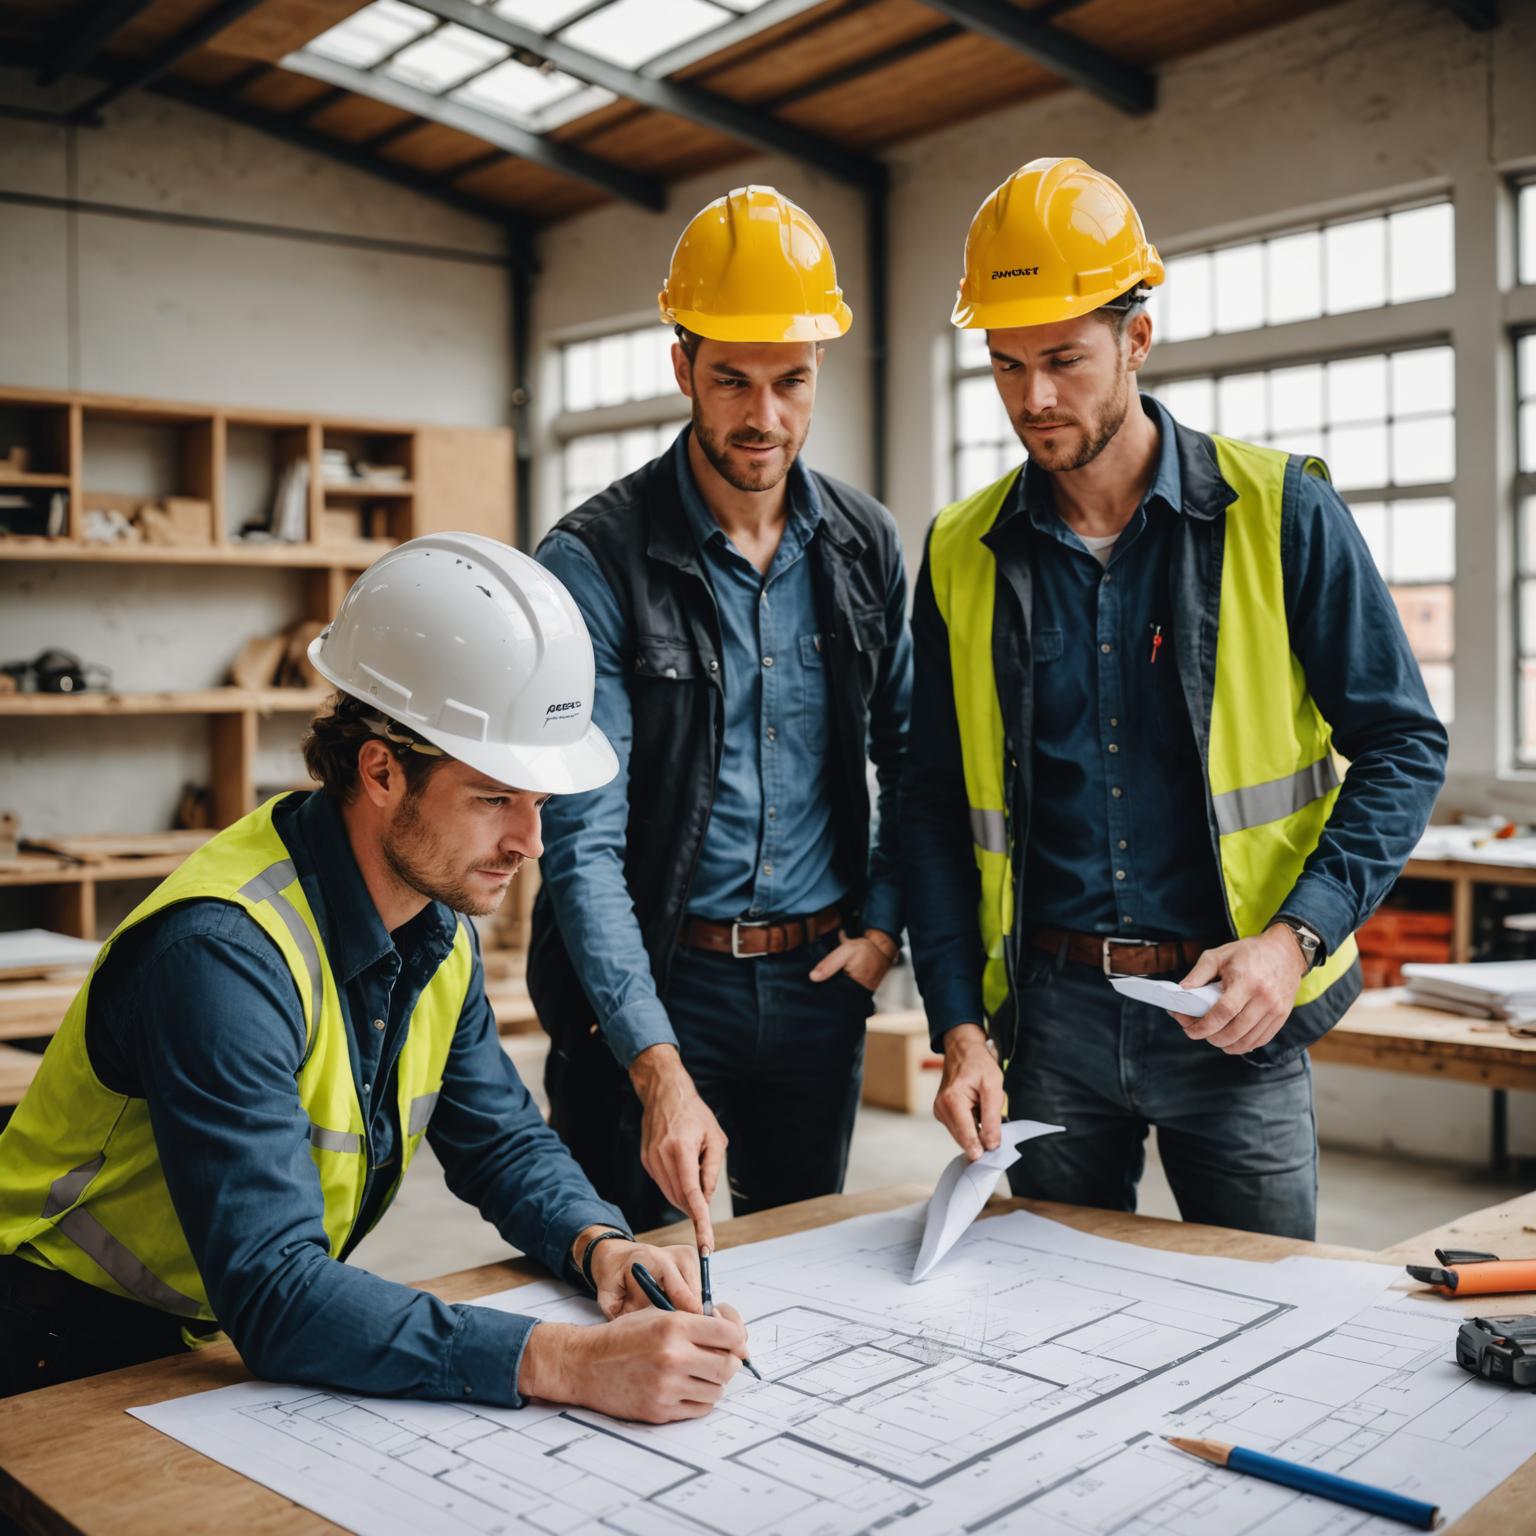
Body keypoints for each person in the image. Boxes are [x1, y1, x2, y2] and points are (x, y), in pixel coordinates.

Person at [0, 533, 748, 1420]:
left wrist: (601, 1248)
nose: (529, 843)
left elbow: (500, 1140)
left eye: (539, 803)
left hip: (203, 1338)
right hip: (50, 1346)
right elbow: (276, 1292)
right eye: (493, 797)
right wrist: (571, 1362)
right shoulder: (223, 955)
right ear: (382, 770)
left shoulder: (434, 923)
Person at [904, 158, 1449, 1239]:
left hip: (1233, 1012)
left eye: (1064, 359)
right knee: (1062, 1337)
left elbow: (1401, 746)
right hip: (1051, 1023)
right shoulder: (960, 551)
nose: (1034, 398)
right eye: (1006, 365)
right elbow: (928, 804)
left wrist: (1293, 940)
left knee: (1265, 1332)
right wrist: (960, 1025)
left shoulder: (1280, 512)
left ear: (1137, 340)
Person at [532, 186, 912, 1251]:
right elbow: (583, 844)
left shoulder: (865, 543)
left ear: (819, 370)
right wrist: (649, 1060)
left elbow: (914, 756)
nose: (764, 416)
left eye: (792, 382)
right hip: (657, 981)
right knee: (643, 1291)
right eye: (732, 381)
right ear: (682, 367)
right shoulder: (593, 559)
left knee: (805, 1277)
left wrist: (883, 929)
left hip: (816, 986)